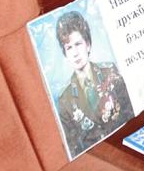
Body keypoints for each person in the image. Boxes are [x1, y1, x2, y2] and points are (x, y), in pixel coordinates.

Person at [56, 11, 134, 158]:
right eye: (69, 48)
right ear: (65, 54)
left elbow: (130, 112)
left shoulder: (110, 71)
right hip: (99, 157)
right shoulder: (64, 98)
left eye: (78, 44)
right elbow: (73, 149)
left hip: (125, 145)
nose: (75, 53)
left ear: (88, 44)